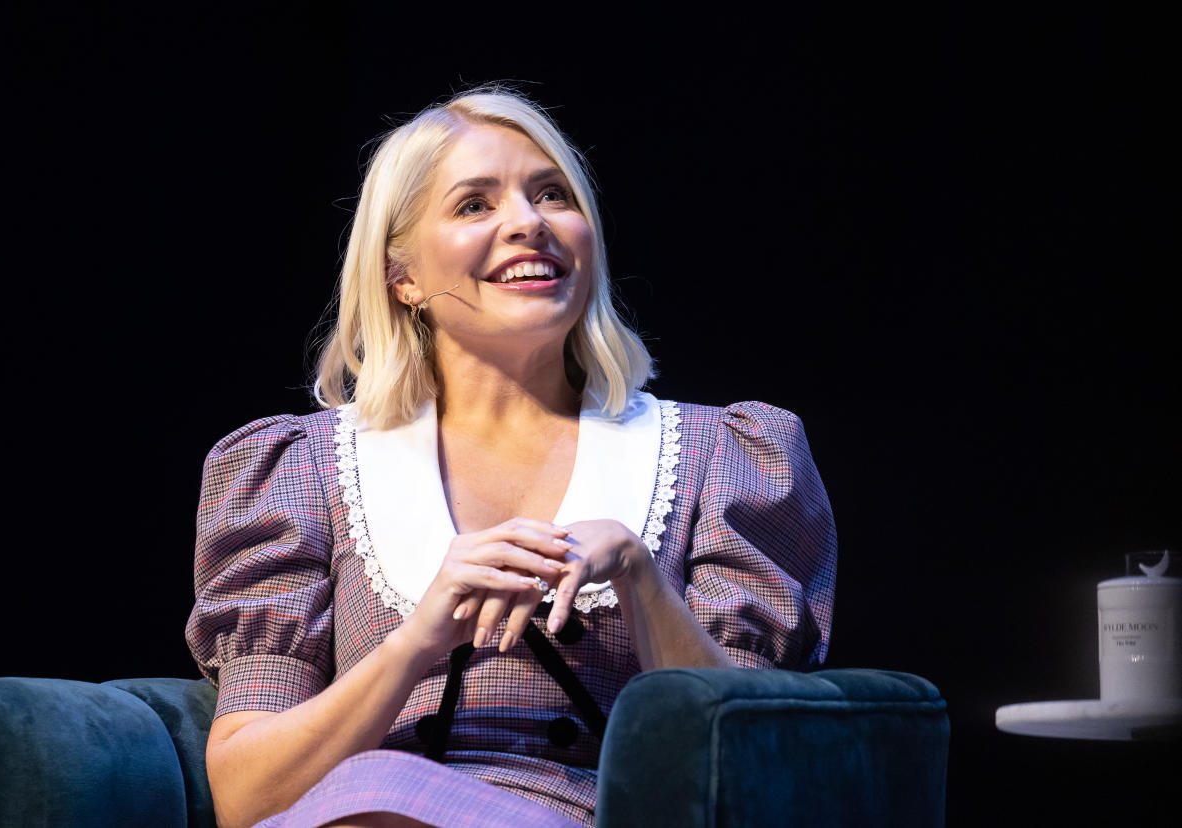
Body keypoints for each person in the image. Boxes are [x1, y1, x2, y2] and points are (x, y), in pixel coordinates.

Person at [185, 85, 838, 828]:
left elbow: (752, 775)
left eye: (552, 194)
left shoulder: (722, 460)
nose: (528, 223)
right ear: (402, 277)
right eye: (474, 205)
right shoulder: (297, 471)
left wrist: (638, 576)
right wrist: (418, 638)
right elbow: (246, 800)